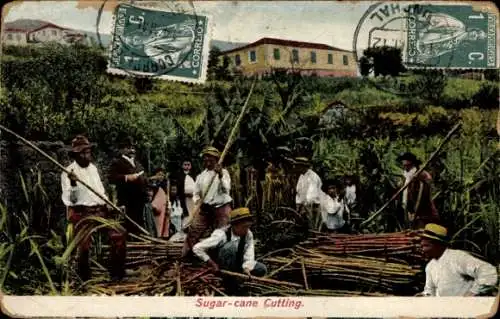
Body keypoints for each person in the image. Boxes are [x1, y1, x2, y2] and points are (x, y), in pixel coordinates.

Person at [61, 135, 127, 281]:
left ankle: (116, 273)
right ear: (75, 155)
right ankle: (84, 278)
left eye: (88, 152)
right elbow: (70, 200)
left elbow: (100, 192)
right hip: (83, 213)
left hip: (100, 210)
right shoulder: (68, 171)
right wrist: (73, 184)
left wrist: (110, 205)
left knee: (120, 234)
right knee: (83, 247)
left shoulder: (93, 169)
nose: (86, 156)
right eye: (82, 153)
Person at [192, 207, 267, 295]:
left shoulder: (248, 234)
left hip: (238, 265)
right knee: (230, 247)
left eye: (248, 226)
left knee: (261, 269)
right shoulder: (221, 234)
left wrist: (246, 267)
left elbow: (249, 253)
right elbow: (197, 248)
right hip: (222, 267)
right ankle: (229, 282)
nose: (246, 229)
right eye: (244, 227)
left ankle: (239, 279)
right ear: (234, 225)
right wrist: (211, 263)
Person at [417, 223, 498, 297]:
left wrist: (473, 292)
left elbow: (488, 271)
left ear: (439, 244)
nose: (423, 249)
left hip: (466, 309)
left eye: (426, 246)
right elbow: (430, 291)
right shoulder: (430, 266)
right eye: (422, 246)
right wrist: (423, 295)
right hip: (445, 310)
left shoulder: (457, 258)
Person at [182, 146, 233, 257]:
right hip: (206, 208)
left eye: (210, 158)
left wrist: (220, 175)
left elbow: (227, 189)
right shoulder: (201, 176)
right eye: (205, 159)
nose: (207, 161)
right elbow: (196, 194)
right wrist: (198, 201)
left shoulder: (224, 173)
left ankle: (220, 257)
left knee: (221, 233)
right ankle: (187, 255)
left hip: (221, 208)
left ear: (216, 159)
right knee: (193, 230)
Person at [108, 136, 148, 236]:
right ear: (122, 149)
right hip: (126, 200)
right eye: (128, 148)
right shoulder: (117, 163)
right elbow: (111, 178)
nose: (132, 150)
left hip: (140, 200)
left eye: (133, 148)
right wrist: (126, 177)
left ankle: (138, 243)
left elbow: (144, 177)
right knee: (128, 223)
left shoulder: (138, 163)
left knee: (139, 223)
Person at [398, 152, 439, 229]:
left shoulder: (421, 175)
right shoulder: (405, 177)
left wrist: (415, 212)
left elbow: (424, 195)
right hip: (407, 211)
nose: (405, 167)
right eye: (404, 165)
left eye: (407, 165)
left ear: (412, 164)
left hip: (422, 213)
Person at [294, 157, 323, 230]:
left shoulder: (313, 176)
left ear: (303, 166)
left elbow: (311, 195)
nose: (296, 168)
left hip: (313, 206)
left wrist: (304, 206)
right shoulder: (301, 176)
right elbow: (298, 191)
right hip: (305, 205)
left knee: (312, 227)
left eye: (298, 166)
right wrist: (298, 204)